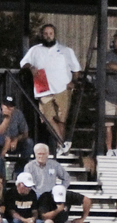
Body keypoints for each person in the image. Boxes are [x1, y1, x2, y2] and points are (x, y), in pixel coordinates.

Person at [19, 24, 82, 152]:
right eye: (46, 33)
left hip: (62, 89)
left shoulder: (66, 50)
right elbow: (23, 63)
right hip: (43, 89)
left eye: (50, 33)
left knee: (61, 120)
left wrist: (73, 82)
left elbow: (76, 69)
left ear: (54, 34)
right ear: (42, 35)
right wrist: (30, 67)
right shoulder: (35, 50)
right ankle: (62, 144)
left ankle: (60, 147)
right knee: (47, 119)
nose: (48, 36)